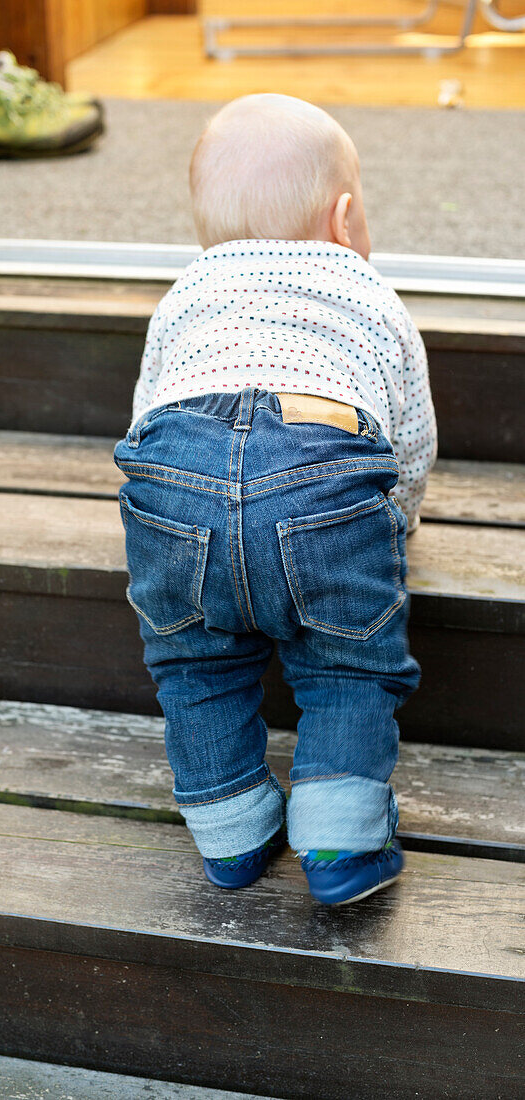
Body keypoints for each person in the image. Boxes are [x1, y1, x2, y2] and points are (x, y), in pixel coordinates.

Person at [114, 94, 436, 906]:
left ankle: (231, 832)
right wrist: (396, 523)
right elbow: (409, 435)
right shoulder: (368, 292)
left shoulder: (187, 291)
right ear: (345, 215)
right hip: (325, 474)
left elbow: (146, 413)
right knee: (349, 666)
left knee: (193, 665)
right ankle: (340, 843)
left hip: (176, 487)